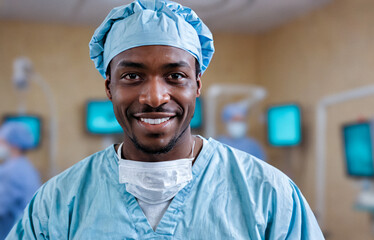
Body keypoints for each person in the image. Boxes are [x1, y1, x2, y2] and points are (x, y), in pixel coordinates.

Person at [7, 0, 324, 239]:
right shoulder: (58, 203)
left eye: (175, 75)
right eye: (132, 75)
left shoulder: (269, 196)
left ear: (197, 84)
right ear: (109, 87)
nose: (155, 97)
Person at [0, 122, 41, 240]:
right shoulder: (24, 166)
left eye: (2, 142)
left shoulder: (12, 171)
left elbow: (2, 206)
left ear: (14, 145)